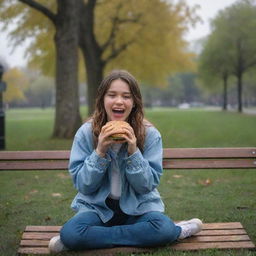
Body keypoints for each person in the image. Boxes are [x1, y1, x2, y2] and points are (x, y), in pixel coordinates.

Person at [48, 70, 203, 253]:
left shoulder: (150, 134)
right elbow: (84, 185)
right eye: (112, 95)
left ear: (134, 102)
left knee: (161, 227)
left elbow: (147, 186)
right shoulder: (85, 133)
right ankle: (172, 233)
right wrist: (99, 152)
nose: (119, 101)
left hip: (138, 209)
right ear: (102, 100)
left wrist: (133, 151)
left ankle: (177, 229)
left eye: (126, 96)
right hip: (97, 209)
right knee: (72, 232)